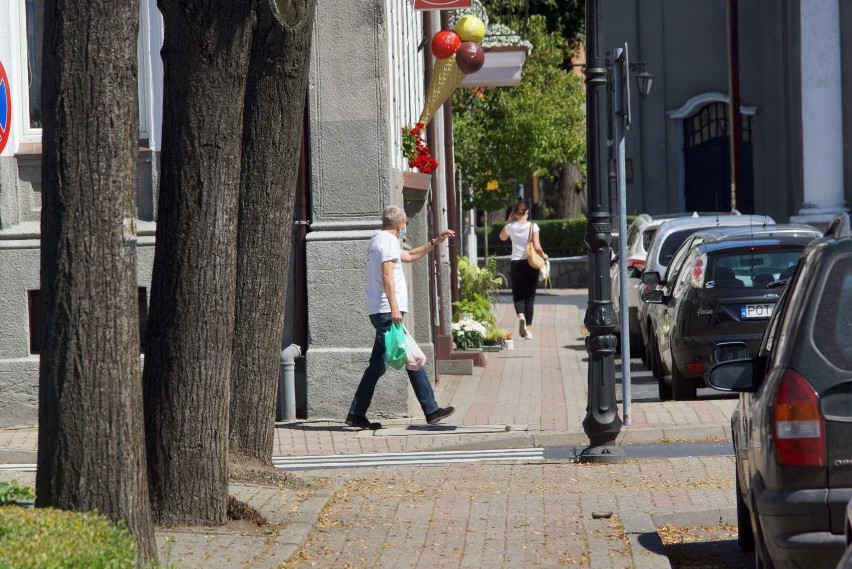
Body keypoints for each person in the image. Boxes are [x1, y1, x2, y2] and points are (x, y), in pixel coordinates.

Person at [346, 205, 456, 430]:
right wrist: (395, 309)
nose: (405, 226)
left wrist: (434, 242)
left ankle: (431, 410)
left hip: (385, 311)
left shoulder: (381, 240)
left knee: (411, 359)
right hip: (388, 312)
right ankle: (357, 413)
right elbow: (387, 276)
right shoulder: (386, 242)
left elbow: (408, 255)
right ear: (399, 224)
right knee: (378, 366)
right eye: (405, 222)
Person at [499, 201, 548, 340]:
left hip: (516, 263)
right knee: (530, 297)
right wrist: (544, 255)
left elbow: (502, 238)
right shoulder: (533, 226)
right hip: (531, 263)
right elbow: (537, 247)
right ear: (527, 213)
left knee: (518, 295)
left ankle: (521, 316)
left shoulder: (510, 227)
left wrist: (507, 221)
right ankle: (529, 329)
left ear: (514, 213)